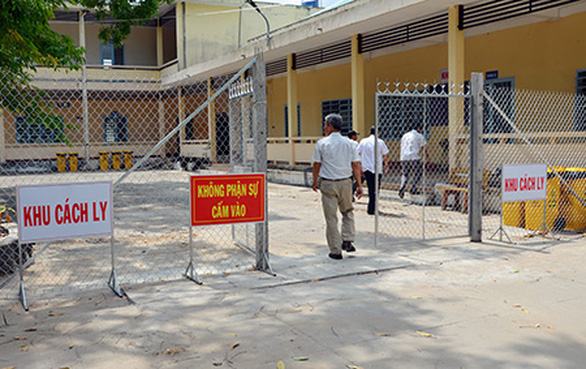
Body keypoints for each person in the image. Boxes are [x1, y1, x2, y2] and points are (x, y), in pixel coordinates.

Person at [312, 114, 363, 260]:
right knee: (347, 211)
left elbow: (317, 164)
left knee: (331, 218)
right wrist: (359, 185)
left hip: (328, 183)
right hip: (346, 183)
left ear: (330, 126)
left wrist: (315, 181)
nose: (324, 127)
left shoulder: (322, 143)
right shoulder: (350, 144)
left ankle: (335, 251)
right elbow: (356, 164)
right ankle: (347, 240)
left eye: (325, 124)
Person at [357, 126, 389, 215]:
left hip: (366, 168)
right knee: (376, 189)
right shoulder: (380, 142)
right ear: (378, 132)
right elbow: (384, 155)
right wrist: (386, 165)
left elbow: (357, 152)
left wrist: (359, 165)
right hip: (377, 169)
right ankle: (372, 207)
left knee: (370, 187)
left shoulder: (363, 141)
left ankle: (371, 207)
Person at [399, 122, 427, 199]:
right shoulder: (419, 136)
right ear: (419, 129)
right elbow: (423, 147)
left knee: (405, 174)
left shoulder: (405, 135)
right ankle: (413, 188)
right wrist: (427, 156)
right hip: (414, 156)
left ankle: (402, 187)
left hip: (404, 157)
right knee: (418, 172)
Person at [346, 130, 362, 199]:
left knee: (349, 180)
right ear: (353, 136)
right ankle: (351, 192)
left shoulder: (345, 143)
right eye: (356, 135)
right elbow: (357, 154)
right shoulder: (355, 143)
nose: (357, 137)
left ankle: (349, 194)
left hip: (346, 164)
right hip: (353, 164)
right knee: (360, 178)